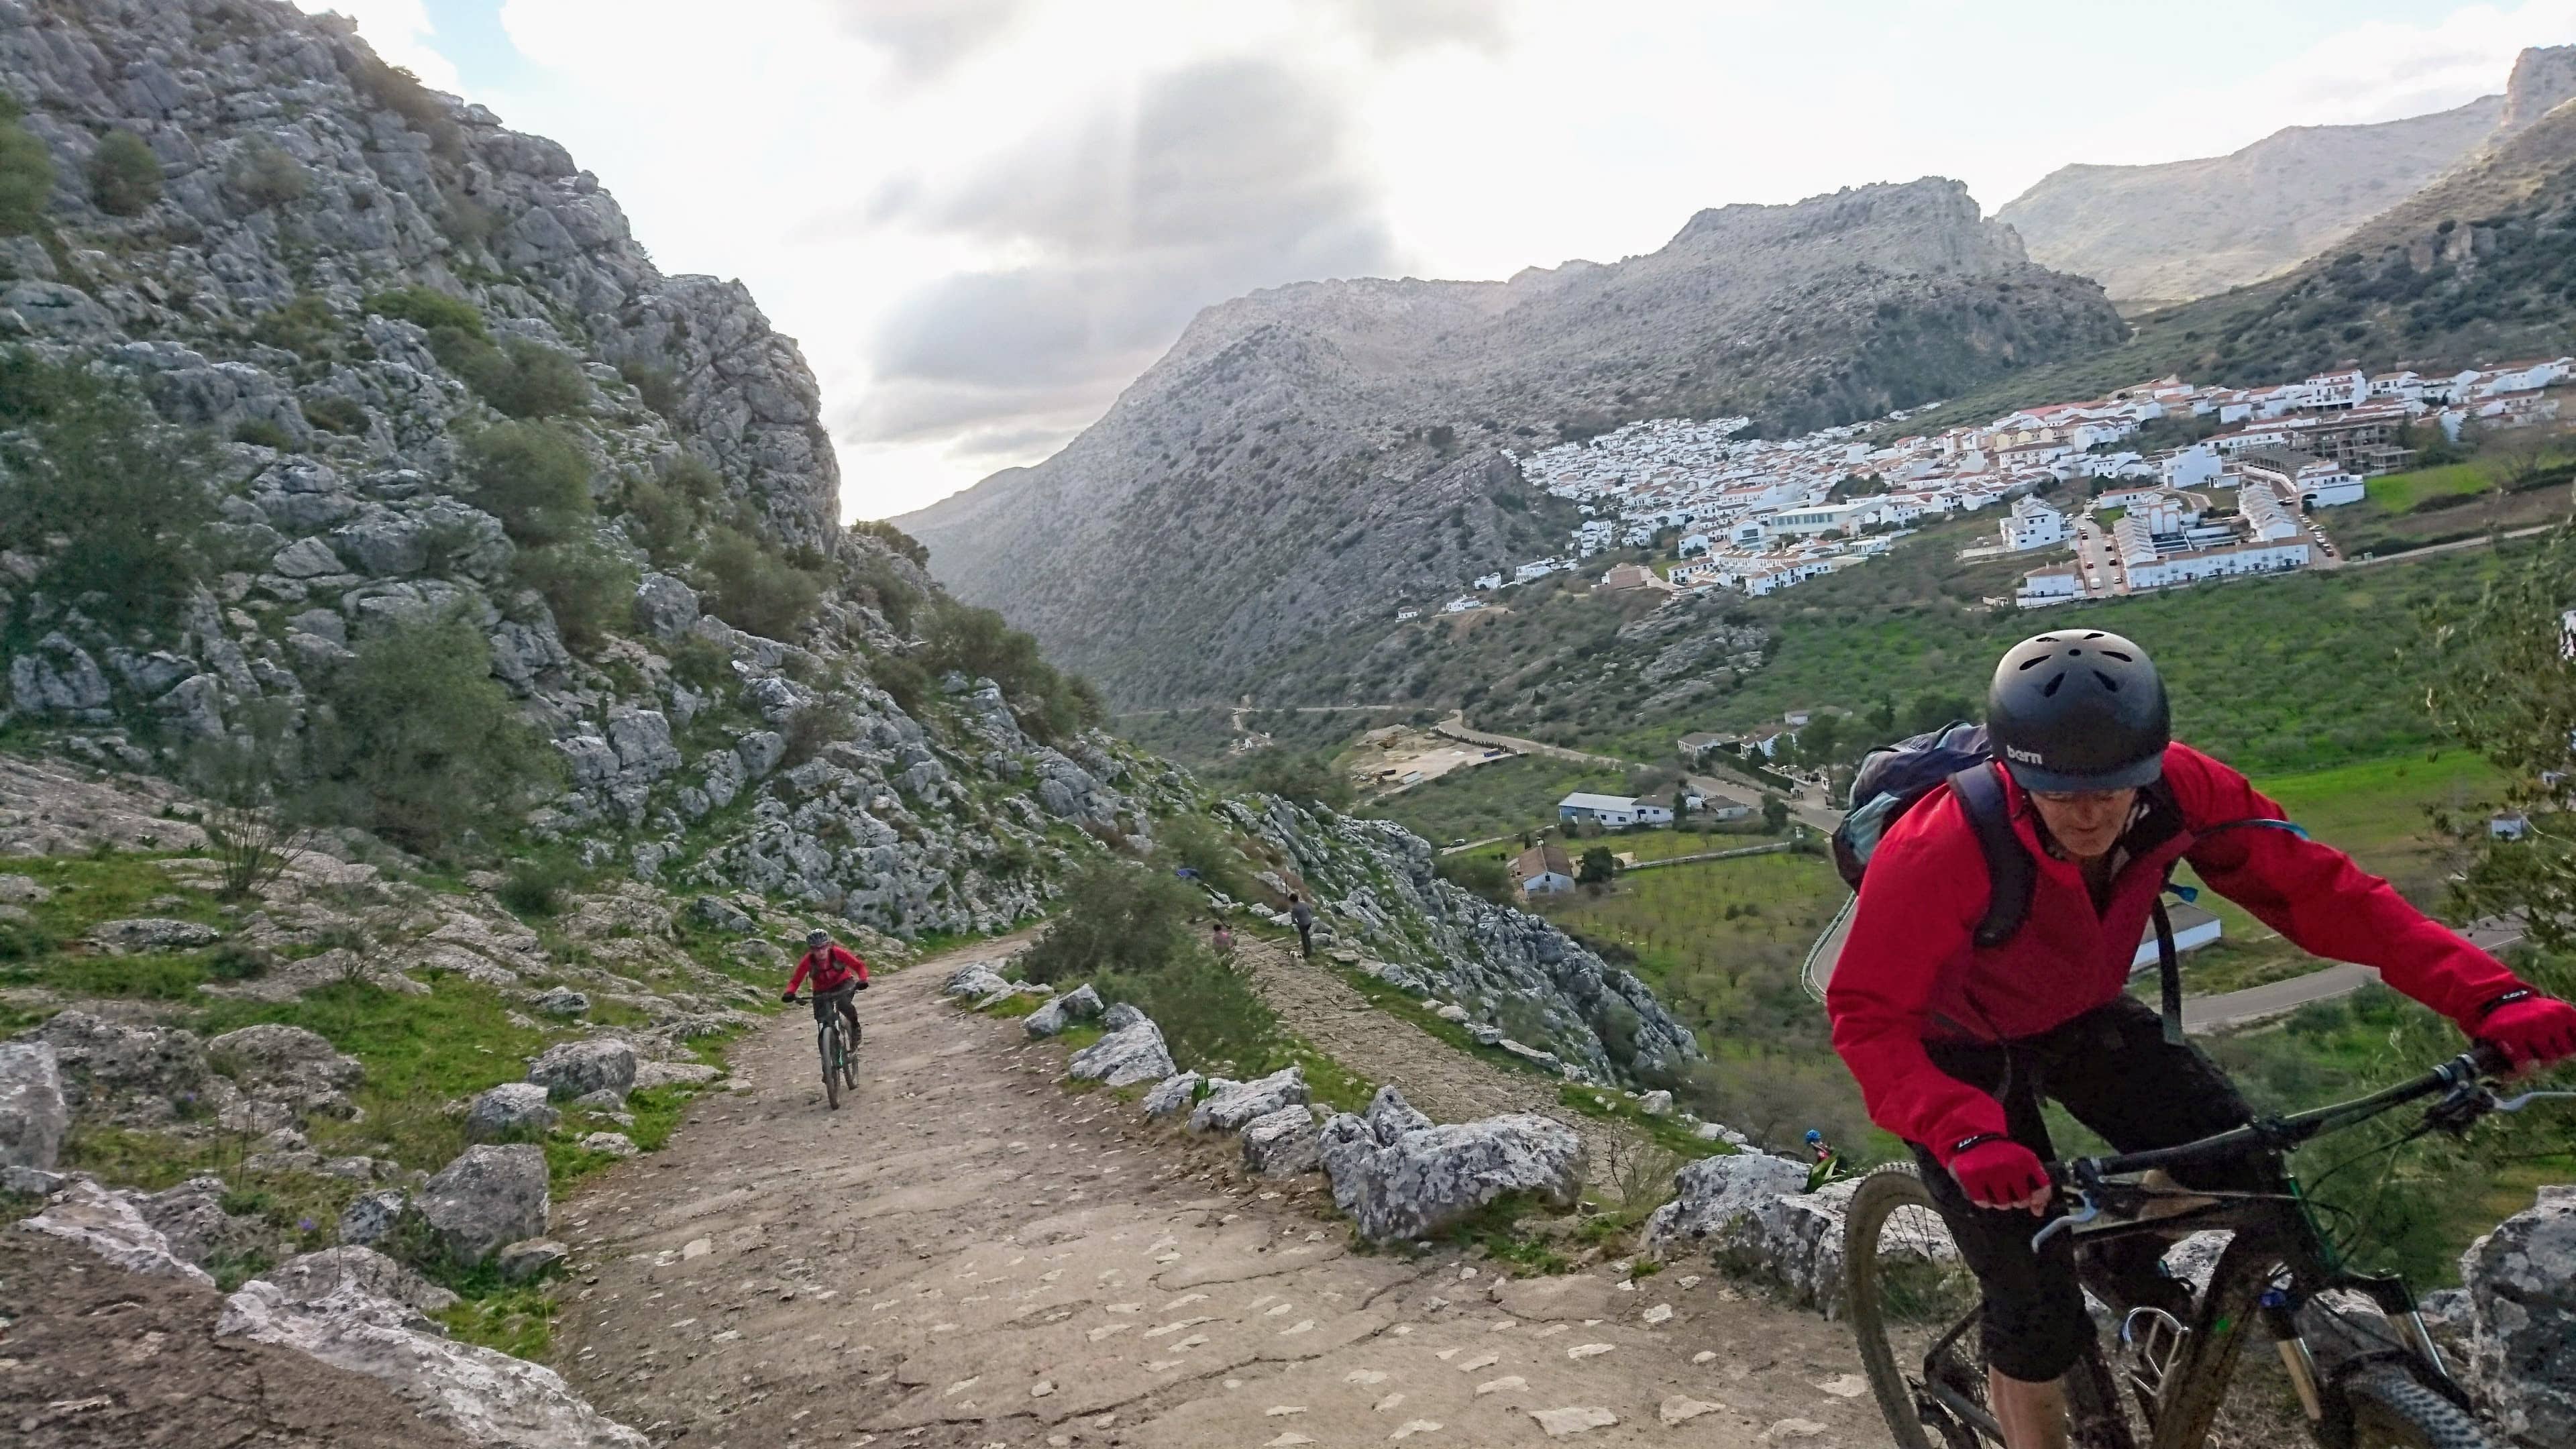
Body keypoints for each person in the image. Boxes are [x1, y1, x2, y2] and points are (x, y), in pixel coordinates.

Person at [1826, 631, 2576, 1449]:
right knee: (2036, 1311)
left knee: (2244, 1173)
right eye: (2059, 791)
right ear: (2014, 771)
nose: (2089, 813)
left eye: (2112, 788)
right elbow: (1868, 1014)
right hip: (1955, 1047)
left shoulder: (2186, 788)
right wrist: (1960, 1127)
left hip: (2079, 1014)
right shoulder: (1942, 843)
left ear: (2148, 763)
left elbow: (2327, 895)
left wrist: (2490, 995)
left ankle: (2123, 1258)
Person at [784, 928, 869, 1048]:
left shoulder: (837, 953)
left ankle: (855, 1027)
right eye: (816, 949)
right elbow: (795, 980)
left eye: (823, 947)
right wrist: (789, 992)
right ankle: (826, 1056)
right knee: (822, 1020)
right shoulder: (808, 961)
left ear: (828, 945)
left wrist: (863, 980)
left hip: (843, 983)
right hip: (821, 990)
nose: (821, 952)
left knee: (844, 1004)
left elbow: (859, 966)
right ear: (811, 950)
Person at [1288, 893, 1316, 959]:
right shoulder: (1304, 903)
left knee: (1304, 938)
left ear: (1292, 901)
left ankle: (1307, 954)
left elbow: (1294, 919)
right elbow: (1310, 910)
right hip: (1309, 921)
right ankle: (1310, 950)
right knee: (1307, 936)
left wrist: (1296, 923)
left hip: (1302, 924)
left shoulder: (1295, 908)